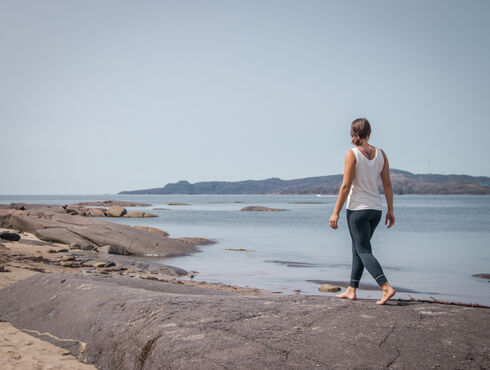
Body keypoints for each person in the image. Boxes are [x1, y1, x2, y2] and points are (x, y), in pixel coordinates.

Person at [329, 118, 396, 305]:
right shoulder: (381, 153)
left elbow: (345, 186)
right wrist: (391, 210)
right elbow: (388, 184)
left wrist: (335, 212)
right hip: (376, 211)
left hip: (358, 211)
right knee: (357, 248)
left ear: (352, 133)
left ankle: (385, 287)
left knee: (363, 249)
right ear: (369, 132)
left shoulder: (352, 154)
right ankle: (351, 289)